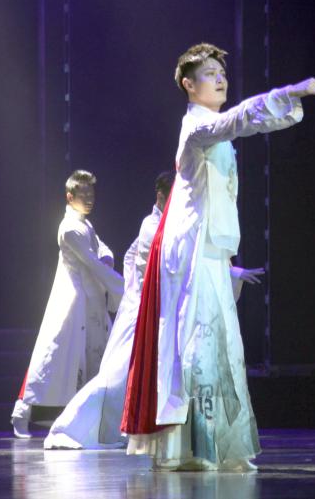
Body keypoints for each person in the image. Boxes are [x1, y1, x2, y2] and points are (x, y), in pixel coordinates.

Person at [122, 42, 315, 471]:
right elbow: (239, 120)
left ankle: (218, 445)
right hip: (190, 249)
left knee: (220, 342)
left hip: (209, 248)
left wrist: (288, 102)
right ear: (188, 84)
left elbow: (244, 123)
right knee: (196, 342)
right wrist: (289, 91)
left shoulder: (211, 127)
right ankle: (192, 446)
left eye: (222, 73)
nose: (221, 79)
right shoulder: (195, 127)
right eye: (210, 74)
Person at [45, 171, 266, 449]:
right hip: (141, 313)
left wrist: (228, 271)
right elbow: (181, 264)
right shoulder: (151, 227)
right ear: (161, 195)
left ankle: (146, 431)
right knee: (116, 378)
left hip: (161, 311)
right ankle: (69, 429)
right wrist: (229, 273)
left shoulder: (171, 224)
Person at [12, 170, 124, 439]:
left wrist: (108, 258)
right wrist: (124, 288)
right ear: (70, 196)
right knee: (52, 358)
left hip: (91, 302)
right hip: (73, 303)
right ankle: (22, 413)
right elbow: (93, 263)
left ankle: (91, 423)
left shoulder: (84, 224)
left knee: (96, 361)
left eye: (91, 192)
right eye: (83, 193)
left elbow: (102, 250)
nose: (89, 198)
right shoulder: (70, 228)